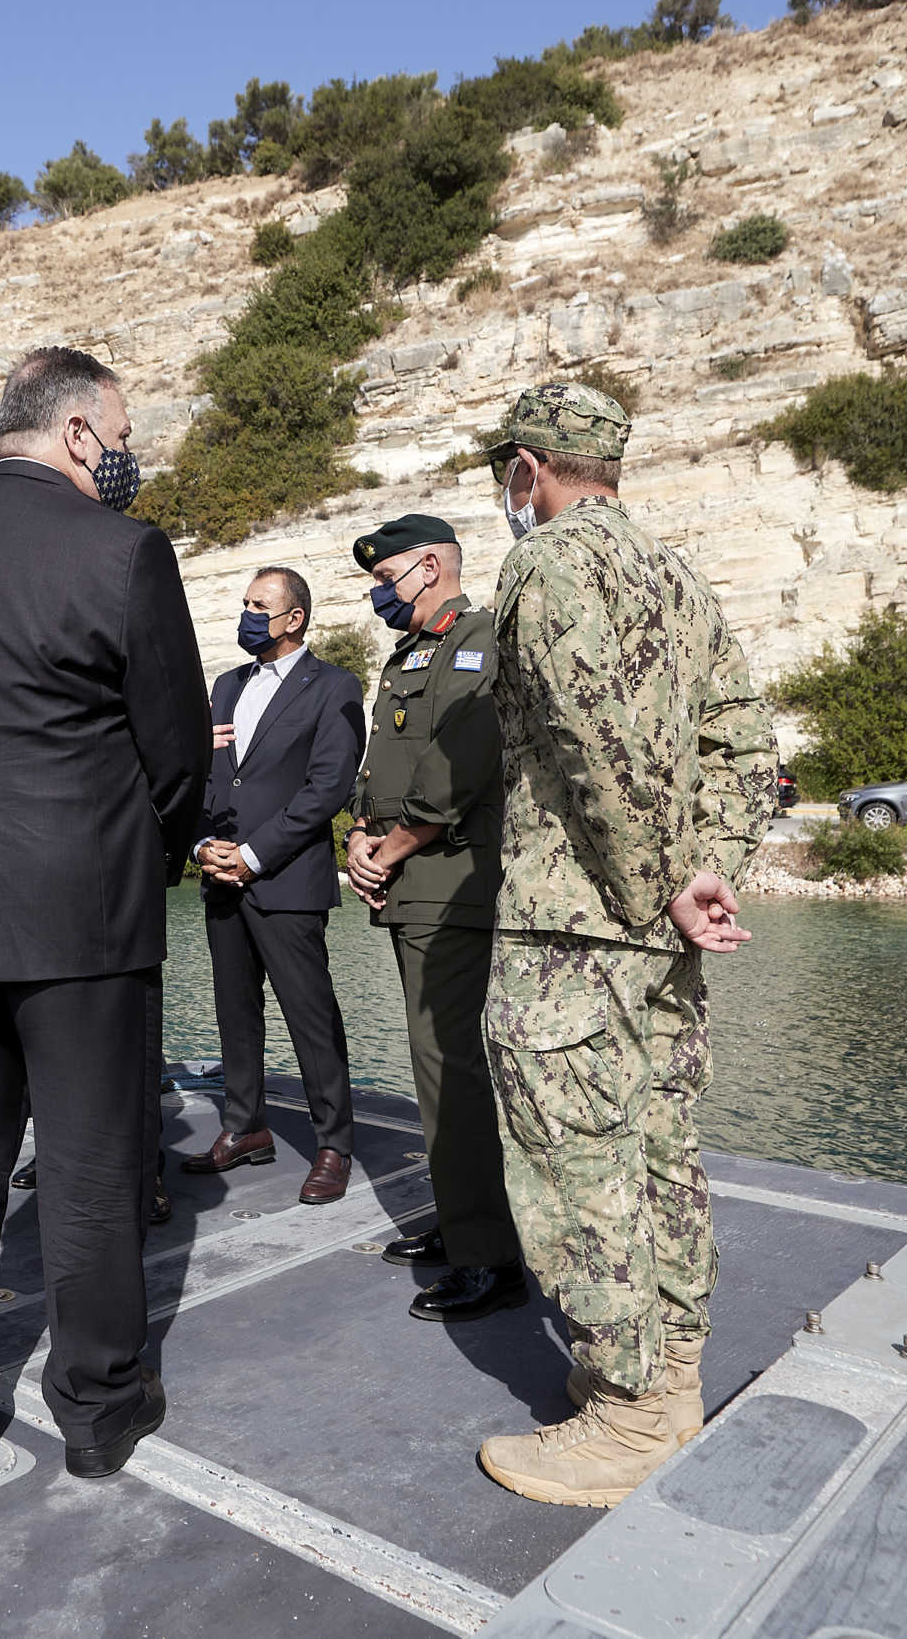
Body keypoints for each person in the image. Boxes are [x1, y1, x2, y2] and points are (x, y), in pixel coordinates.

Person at [0, 346, 210, 1482]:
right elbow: (172, 748)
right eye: (119, 434)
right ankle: (99, 1408)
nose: (125, 456)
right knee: (90, 1166)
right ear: (74, 433)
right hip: (76, 910)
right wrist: (143, 849)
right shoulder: (121, 550)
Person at [470, 382, 777, 1508]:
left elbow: (587, 733)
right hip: (658, 931)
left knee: (576, 1163)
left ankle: (628, 1413)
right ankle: (675, 1382)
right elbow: (745, 736)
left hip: (572, 925)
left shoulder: (547, 562)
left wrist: (656, 886)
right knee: (657, 1147)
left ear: (527, 466)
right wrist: (709, 874)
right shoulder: (675, 574)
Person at [343, 516, 528, 1323]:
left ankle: (491, 1255)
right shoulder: (408, 653)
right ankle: (462, 1221)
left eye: (386, 578)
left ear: (428, 567)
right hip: (409, 881)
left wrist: (396, 843)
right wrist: (357, 833)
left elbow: (465, 766)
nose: (379, 592)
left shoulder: (480, 642)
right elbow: (381, 766)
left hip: (451, 880)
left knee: (452, 1068)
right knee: (434, 1065)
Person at [184, 567, 365, 1205]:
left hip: (285, 877)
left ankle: (334, 1144)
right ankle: (244, 1126)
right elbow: (207, 778)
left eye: (260, 605)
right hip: (219, 876)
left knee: (310, 1017)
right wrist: (204, 844)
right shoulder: (226, 685)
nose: (248, 614)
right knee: (234, 1011)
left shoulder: (335, 686)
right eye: (244, 603)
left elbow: (328, 788)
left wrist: (254, 855)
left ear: (294, 618)